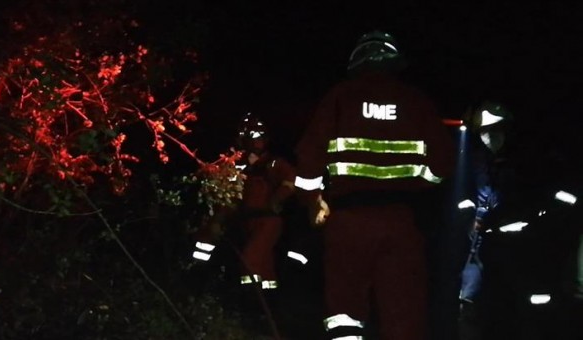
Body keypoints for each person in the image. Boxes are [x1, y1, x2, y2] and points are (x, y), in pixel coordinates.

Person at [293, 30, 455, 340]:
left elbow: (310, 153)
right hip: (402, 222)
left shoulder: (340, 96)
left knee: (345, 309)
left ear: (358, 61)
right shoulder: (416, 100)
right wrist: (416, 186)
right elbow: (443, 163)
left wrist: (313, 199)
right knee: (403, 312)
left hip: (348, 222)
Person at [190, 112, 296, 325]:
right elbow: (229, 196)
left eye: (257, 136)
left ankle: (251, 309)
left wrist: (277, 199)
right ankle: (269, 312)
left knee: (250, 262)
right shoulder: (237, 166)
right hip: (247, 222)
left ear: (265, 139)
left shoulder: (275, 163)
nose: (253, 140)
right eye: (248, 136)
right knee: (265, 270)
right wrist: (220, 219)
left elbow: (291, 181)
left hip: (268, 221)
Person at [454, 101, 516, 340]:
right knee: (468, 300)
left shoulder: (513, 163)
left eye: (498, 129)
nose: (492, 136)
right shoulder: (472, 160)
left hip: (501, 238)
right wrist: (471, 216)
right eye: (486, 131)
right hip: (475, 239)